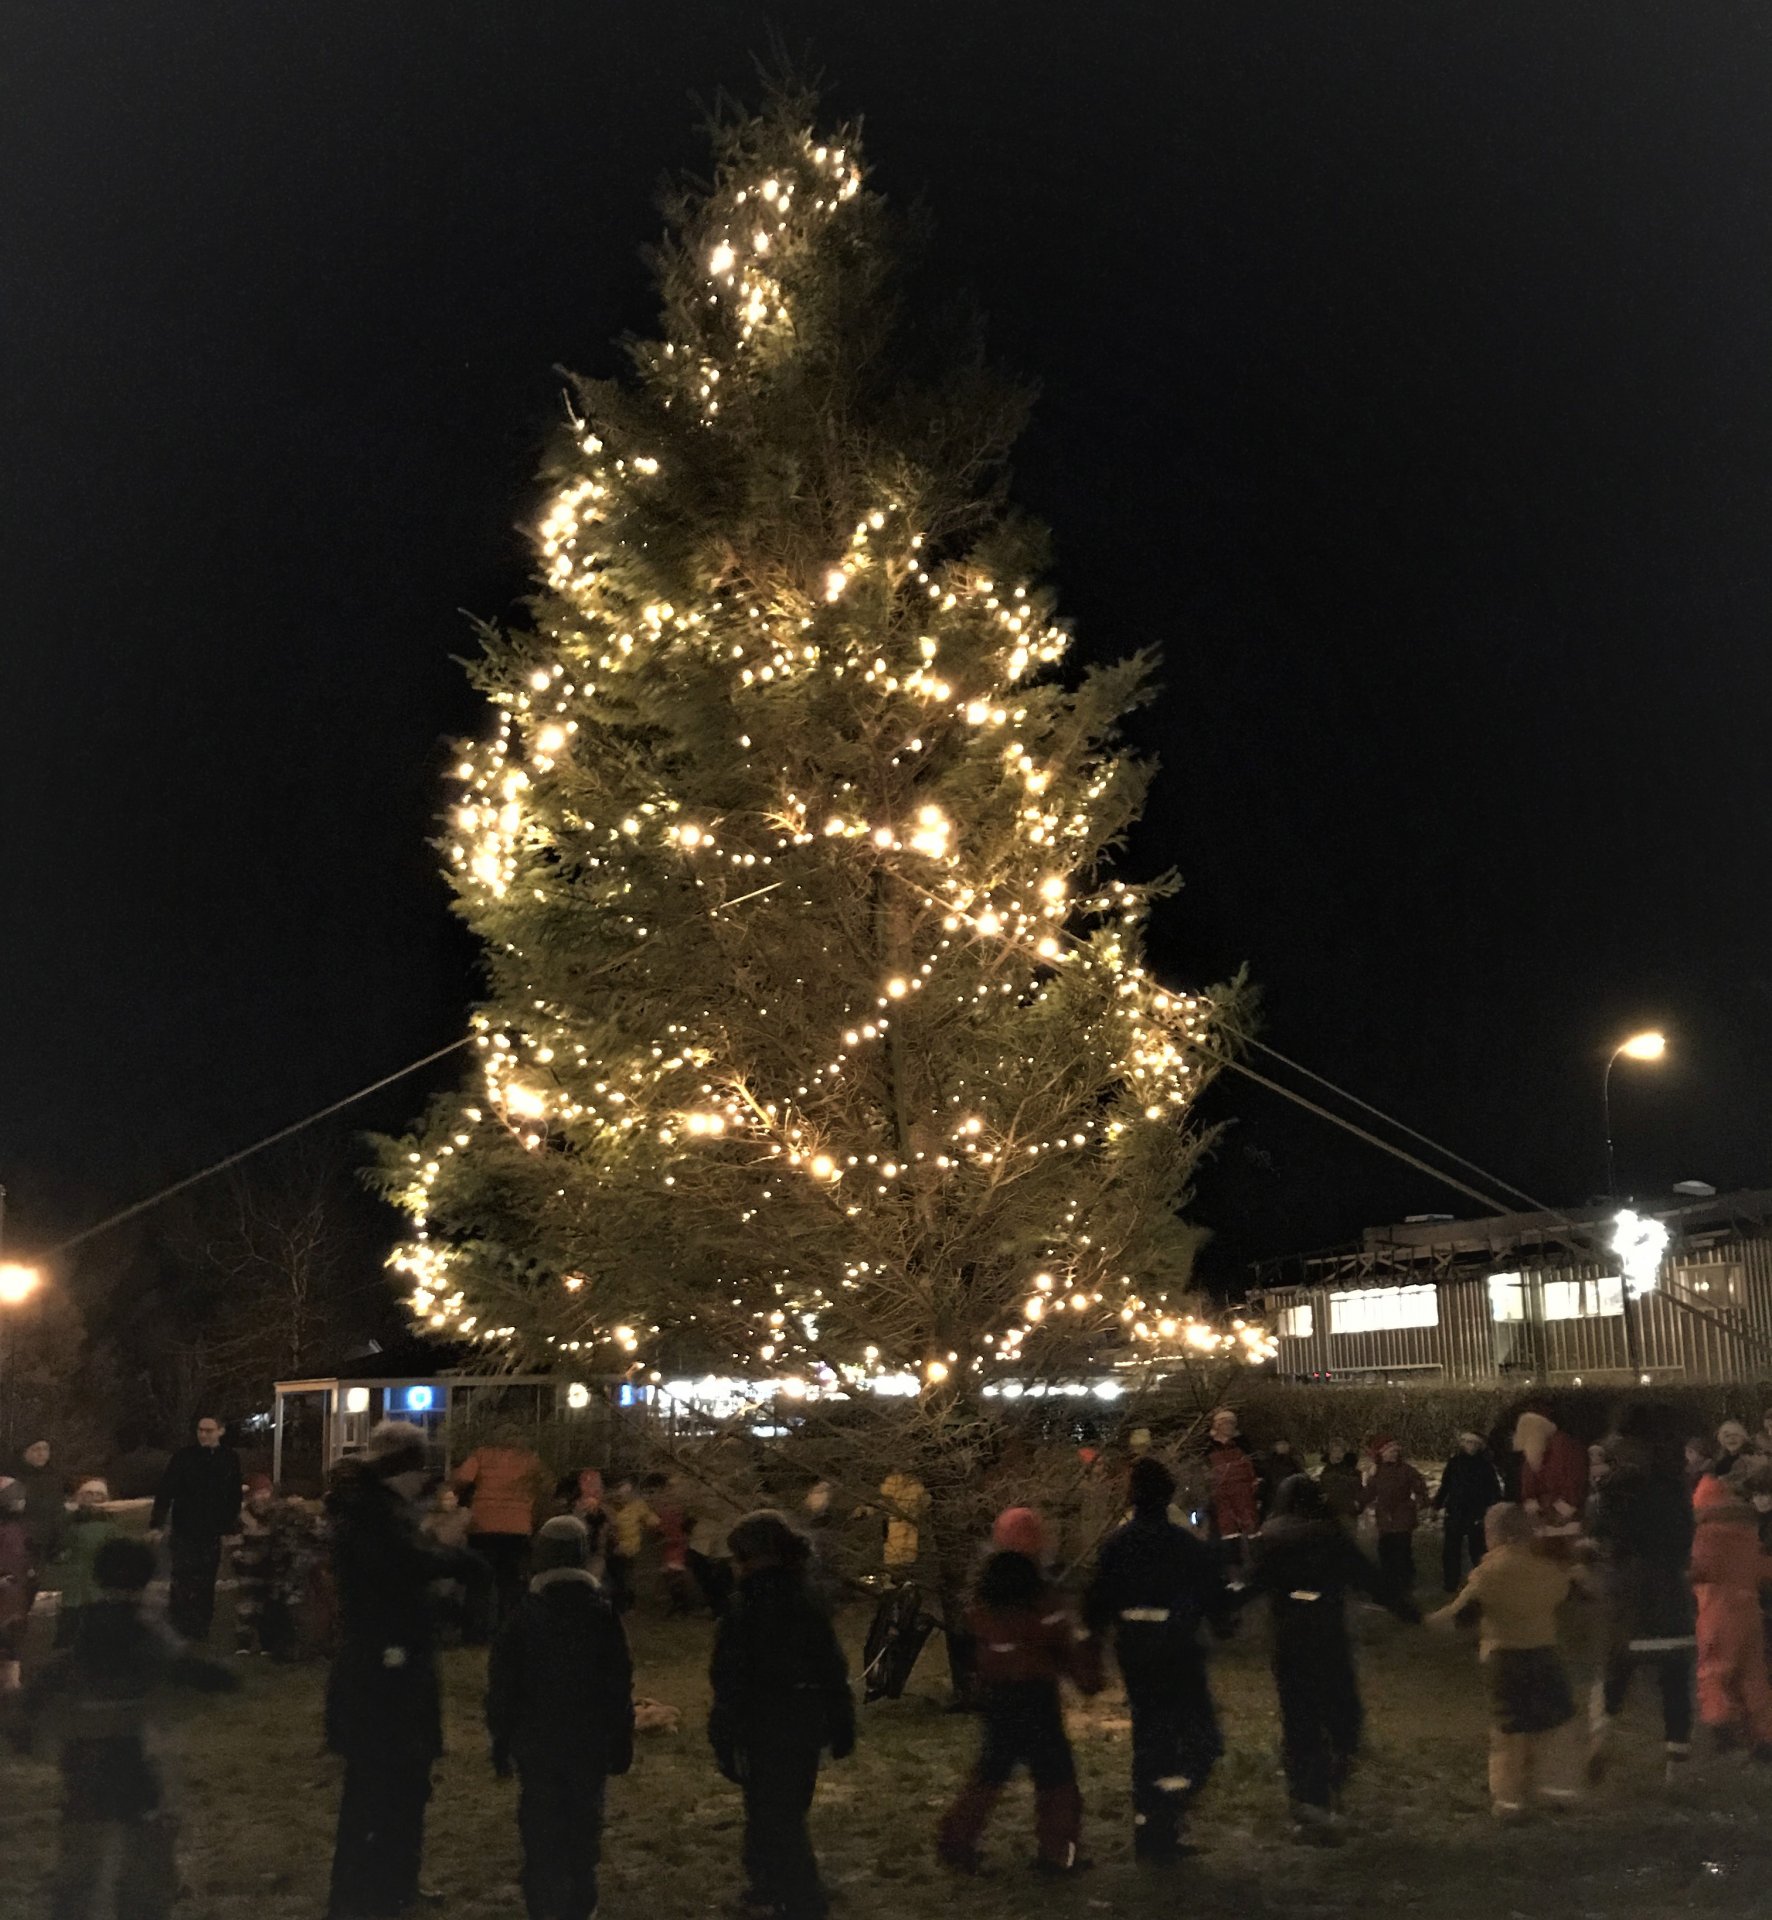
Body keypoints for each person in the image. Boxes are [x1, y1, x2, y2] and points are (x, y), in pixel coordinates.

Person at [7, 1536, 237, 1920]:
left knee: (80, 1858)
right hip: (137, 1757)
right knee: (145, 1863)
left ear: (97, 1578)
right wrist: (223, 1676)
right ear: (147, 1580)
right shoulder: (149, 1633)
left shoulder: (85, 1632)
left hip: (84, 1761)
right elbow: (199, 1673)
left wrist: (23, 1728)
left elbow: (45, 1685)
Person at [325, 1420, 480, 1920]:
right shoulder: (373, 1515)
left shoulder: (369, 1509)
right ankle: (370, 1891)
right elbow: (400, 1565)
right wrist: (458, 1563)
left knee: (397, 1783)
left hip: (385, 1666)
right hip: (386, 1670)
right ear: (402, 1469)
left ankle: (389, 1884)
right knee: (384, 1784)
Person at [1246, 1475, 1419, 1841]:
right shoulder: (1332, 1537)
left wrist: (1214, 1609)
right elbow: (1369, 1578)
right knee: (1342, 1714)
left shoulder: (1272, 1541)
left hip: (1290, 1641)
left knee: (1300, 1720)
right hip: (1327, 1637)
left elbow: (1251, 1583)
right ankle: (1332, 1775)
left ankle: (1308, 1800)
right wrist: (1408, 1611)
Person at [1084, 1457, 1235, 1862]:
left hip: (1135, 1653)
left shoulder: (1117, 1546)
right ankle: (1166, 1811)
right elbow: (1213, 1595)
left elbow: (1096, 1601)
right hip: (1178, 1653)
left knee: (1151, 1738)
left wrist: (1094, 1645)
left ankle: (1152, 1825)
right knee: (1201, 1740)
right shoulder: (1183, 1545)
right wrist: (1221, 1619)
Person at [487, 1514, 635, 1920]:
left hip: (538, 1744)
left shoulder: (523, 1617)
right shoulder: (601, 1615)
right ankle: (579, 1904)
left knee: (541, 1830)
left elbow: (503, 1688)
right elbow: (618, 1686)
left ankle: (546, 1904)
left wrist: (501, 1741)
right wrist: (620, 1739)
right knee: (583, 1827)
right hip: (587, 1743)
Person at [709, 1509, 854, 1920]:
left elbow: (730, 1675)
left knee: (775, 1814)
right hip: (804, 1719)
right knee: (778, 1808)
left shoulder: (749, 1606)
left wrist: (724, 1730)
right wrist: (840, 1719)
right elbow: (830, 1664)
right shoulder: (805, 1599)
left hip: (764, 1722)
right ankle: (769, 1884)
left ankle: (801, 1898)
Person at [940, 1508, 1098, 1876]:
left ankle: (955, 1843)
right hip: (1036, 1696)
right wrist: (1084, 1675)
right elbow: (1059, 1641)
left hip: (998, 1696)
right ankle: (1059, 1854)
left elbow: (974, 1640)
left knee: (989, 1772)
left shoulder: (983, 1593)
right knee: (1056, 1778)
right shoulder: (1041, 1595)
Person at [1429, 1502, 1583, 1819]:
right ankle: (1559, 1791)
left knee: (1508, 1733)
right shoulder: (1547, 1570)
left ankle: (1509, 1802)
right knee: (1554, 1726)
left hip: (1503, 1660)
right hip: (1544, 1655)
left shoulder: (1487, 1574)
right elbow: (1564, 1591)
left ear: (1493, 1534)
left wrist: (1425, 1619)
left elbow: (1460, 1616)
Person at [1583, 1421, 1695, 1784]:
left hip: (1630, 1598)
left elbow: (1598, 1536)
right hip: (1672, 1598)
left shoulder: (1608, 1494)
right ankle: (1674, 1768)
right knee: (1675, 1684)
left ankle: (1601, 1737)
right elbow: (1685, 1538)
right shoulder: (1676, 1492)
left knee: (1614, 1672)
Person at [1689, 1463, 1772, 1757]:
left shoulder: (1704, 1534)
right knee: (1753, 1674)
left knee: (1713, 1670)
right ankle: (1765, 1736)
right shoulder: (1747, 1531)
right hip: (1749, 1607)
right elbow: (1760, 1567)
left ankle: (1721, 1725)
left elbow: (1698, 1569)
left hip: (1716, 1608)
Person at [149, 1414, 242, 1644]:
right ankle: (181, 1623)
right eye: (200, 1430)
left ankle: (201, 1624)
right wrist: (157, 1522)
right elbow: (166, 1490)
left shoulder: (229, 1458)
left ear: (220, 1431)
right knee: (182, 1576)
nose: (203, 1434)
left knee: (206, 1578)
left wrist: (229, 1526)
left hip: (211, 1530)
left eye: (208, 1430)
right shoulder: (184, 1457)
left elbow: (233, 1495)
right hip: (185, 1528)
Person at [454, 1427, 546, 1638]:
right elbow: (545, 1486)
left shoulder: (482, 1454)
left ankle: (475, 1632)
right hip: (518, 1527)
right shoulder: (529, 1459)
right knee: (511, 1583)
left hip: (483, 1526)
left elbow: (463, 1479)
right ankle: (511, 1631)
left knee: (479, 1581)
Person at [50, 1478, 121, 1650]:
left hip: (96, 1582)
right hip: (76, 1582)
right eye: (89, 1494)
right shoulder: (68, 1523)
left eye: (99, 1495)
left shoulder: (110, 1526)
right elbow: (58, 1549)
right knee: (73, 1621)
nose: (94, 1498)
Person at [1360, 1438, 1429, 1603]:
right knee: (1385, 1553)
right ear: (1382, 1453)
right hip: (1385, 1518)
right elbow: (1370, 1492)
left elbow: (1420, 1487)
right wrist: (1357, 1502)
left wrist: (1422, 1500)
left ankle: (1405, 1586)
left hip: (1402, 1517)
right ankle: (1389, 1586)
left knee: (1402, 1552)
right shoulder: (1377, 1472)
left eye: (1396, 1451)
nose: (1394, 1454)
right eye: (1391, 1451)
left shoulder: (1406, 1470)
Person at [1435, 1432, 1504, 1595]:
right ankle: (1450, 1582)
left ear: (1479, 1445)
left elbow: (1493, 1489)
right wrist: (1437, 1504)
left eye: (1473, 1443)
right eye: (1467, 1442)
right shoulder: (1454, 1463)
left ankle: (1482, 1581)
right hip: (1455, 1511)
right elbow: (1445, 1485)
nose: (1470, 1446)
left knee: (1478, 1550)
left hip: (1476, 1514)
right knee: (1451, 1550)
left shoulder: (1485, 1465)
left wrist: (1491, 1508)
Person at [1513, 1409, 1587, 1543]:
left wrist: (1561, 1511)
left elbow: (1575, 1484)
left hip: (1566, 1519)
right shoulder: (1532, 1454)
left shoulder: (1565, 1447)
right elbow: (1528, 1489)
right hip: (1544, 1518)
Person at [1202, 1408, 1260, 1570]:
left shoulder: (1242, 1444)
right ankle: (1233, 1570)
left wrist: (1255, 1485)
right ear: (1217, 1425)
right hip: (1221, 1498)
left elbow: (1254, 1467)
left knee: (1251, 1531)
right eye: (1225, 1423)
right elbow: (1204, 1473)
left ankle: (1255, 1566)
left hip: (1244, 1496)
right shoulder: (1207, 1447)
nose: (1229, 1426)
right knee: (1228, 1533)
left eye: (1231, 1423)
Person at [604, 1477, 658, 1613]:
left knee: (623, 1576)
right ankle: (617, 1603)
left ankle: (625, 1604)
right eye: (621, 1492)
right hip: (611, 1545)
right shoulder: (610, 1506)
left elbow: (652, 1520)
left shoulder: (638, 1506)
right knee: (614, 1575)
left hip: (628, 1547)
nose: (623, 1495)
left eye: (627, 1492)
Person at [15, 1438, 67, 1575]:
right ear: (25, 1452)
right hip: (20, 1545)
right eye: (36, 1449)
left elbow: (58, 1512)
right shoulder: (14, 1478)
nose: (41, 1453)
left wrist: (60, 1543)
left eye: (45, 1449)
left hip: (48, 1547)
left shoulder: (54, 1478)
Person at [0, 1480, 31, 1690]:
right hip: (8, 1588)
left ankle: (11, 1681)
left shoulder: (16, 1528)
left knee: (12, 1634)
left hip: (14, 1590)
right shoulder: (9, 1529)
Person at [1317, 1440, 1363, 1522]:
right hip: (1331, 1513)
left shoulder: (1351, 1470)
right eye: (1334, 1451)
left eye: (1341, 1452)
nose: (1337, 1454)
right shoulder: (1326, 1471)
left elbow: (1358, 1487)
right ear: (1330, 1453)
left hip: (1348, 1512)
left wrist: (1356, 1504)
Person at [1255, 1437, 1299, 1518]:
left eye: (1284, 1444)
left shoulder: (1295, 1462)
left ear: (1289, 1446)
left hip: (1290, 1500)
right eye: (1279, 1444)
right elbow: (1264, 1481)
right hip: (1272, 1501)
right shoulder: (1268, 1463)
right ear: (1275, 1447)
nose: (1282, 1446)